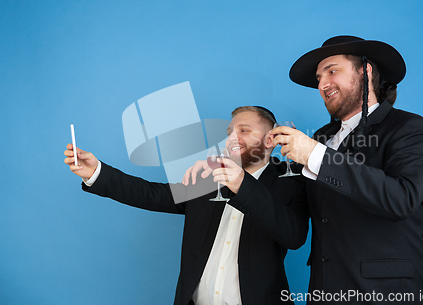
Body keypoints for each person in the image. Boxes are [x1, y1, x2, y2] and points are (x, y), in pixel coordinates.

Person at [64, 106, 308, 305]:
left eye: (244, 130)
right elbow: (151, 194)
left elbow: (294, 237)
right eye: (230, 131)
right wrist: (96, 172)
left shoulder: (292, 183)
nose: (233, 138)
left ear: (270, 140)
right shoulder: (207, 179)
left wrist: (243, 185)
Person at [271, 36, 423, 304]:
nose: (323, 84)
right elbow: (293, 192)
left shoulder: (411, 128)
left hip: (386, 294)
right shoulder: (323, 137)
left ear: (365, 70)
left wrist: (315, 154)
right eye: (318, 78)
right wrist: (244, 163)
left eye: (332, 70)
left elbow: (401, 199)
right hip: (324, 290)